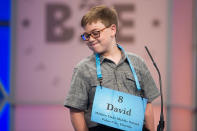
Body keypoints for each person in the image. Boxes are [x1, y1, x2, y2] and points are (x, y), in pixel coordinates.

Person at [64, 5, 160, 131]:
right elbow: (76, 110)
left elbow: (147, 105)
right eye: (86, 36)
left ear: (113, 30)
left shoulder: (137, 63)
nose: (90, 39)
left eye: (95, 33)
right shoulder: (83, 68)